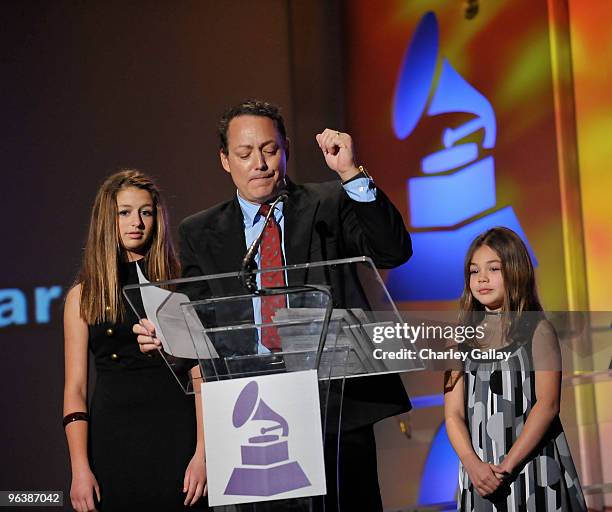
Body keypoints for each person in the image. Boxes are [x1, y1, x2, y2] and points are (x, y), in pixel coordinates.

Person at [135, 99, 413, 510]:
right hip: (250, 409)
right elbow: (198, 321)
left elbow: (392, 251)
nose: (260, 163)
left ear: (286, 149)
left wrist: (350, 173)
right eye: (245, 154)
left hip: (332, 402)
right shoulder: (201, 231)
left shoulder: (329, 204)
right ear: (225, 161)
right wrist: (166, 337)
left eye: (269, 150)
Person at [63, 170, 206, 511]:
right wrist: (79, 468)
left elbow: (200, 374)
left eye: (146, 212)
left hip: (176, 431)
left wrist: (203, 453)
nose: (137, 222)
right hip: (113, 437)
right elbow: (75, 389)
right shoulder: (83, 296)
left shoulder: (176, 286)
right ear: (106, 220)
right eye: (124, 212)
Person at [444, 227, 586, 511]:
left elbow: (548, 405)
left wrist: (506, 467)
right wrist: (473, 466)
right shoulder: (457, 338)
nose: (482, 278)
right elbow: (453, 413)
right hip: (480, 475)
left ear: (515, 270)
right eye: (474, 271)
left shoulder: (537, 330)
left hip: (531, 469)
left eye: (493, 268)